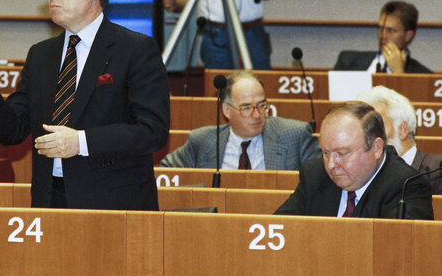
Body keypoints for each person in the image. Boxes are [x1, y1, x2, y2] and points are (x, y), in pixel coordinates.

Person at [0, 0, 170, 210]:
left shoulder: (135, 49)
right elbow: (14, 131)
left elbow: (152, 131)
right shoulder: (41, 54)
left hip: (113, 203)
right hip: (51, 200)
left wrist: (81, 142)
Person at [275, 101, 433, 219]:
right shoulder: (315, 175)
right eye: (326, 152)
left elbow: (400, 253)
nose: (331, 165)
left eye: (342, 153)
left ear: (376, 148)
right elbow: (280, 228)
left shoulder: (407, 186)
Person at [160, 71, 319, 169]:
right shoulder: (203, 141)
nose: (257, 115)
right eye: (247, 108)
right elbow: (165, 173)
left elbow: (321, 182)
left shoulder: (295, 136)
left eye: (261, 105)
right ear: (226, 110)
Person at [357, 85, 442, 194]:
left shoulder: (437, 170)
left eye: (376, 126)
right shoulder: (363, 176)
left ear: (402, 130)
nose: (366, 137)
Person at [334, 0, 432, 74]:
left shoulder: (424, 76)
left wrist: (399, 73)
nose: (383, 36)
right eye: (380, 28)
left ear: (408, 36)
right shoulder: (347, 62)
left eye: (391, 31)